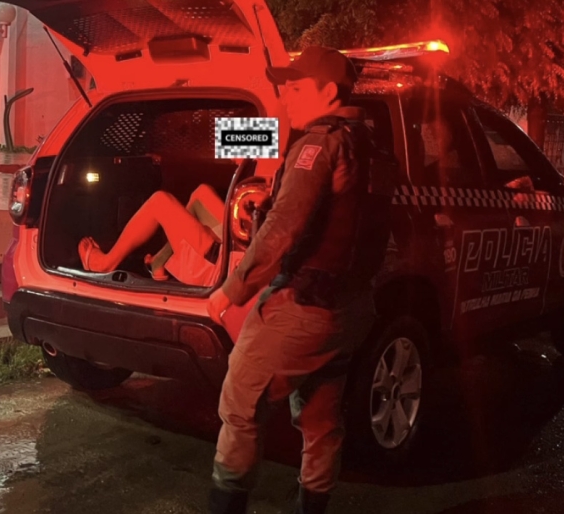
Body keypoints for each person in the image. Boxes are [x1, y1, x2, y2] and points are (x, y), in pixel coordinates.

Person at [206, 46, 390, 514]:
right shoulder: (369, 146)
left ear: (328, 92)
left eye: (295, 87)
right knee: (320, 421)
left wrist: (231, 290)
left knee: (239, 403)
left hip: (305, 306)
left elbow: (283, 229)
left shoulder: (317, 144)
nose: (286, 97)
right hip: (350, 308)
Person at [78, 183, 225, 286]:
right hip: (228, 253)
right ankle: (159, 261)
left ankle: (105, 264)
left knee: (159, 201)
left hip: (218, 270)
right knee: (202, 193)